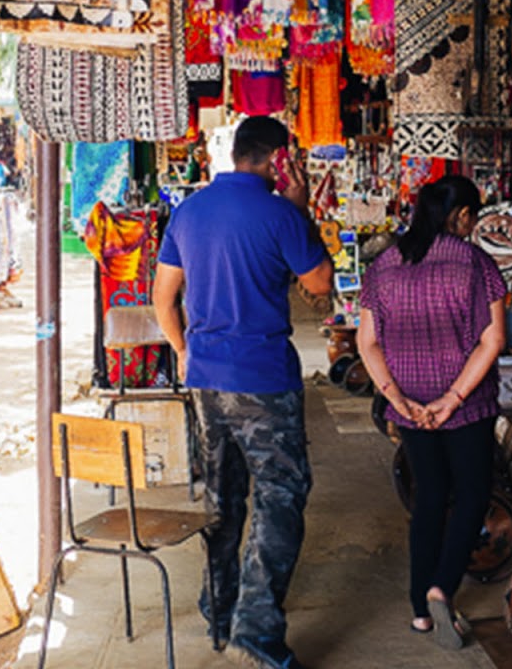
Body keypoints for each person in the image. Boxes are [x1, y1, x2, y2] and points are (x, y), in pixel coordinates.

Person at [152, 116, 333, 669]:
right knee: (280, 495)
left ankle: (220, 608)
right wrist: (301, 208)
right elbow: (321, 283)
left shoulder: (188, 211)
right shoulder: (281, 214)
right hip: (264, 380)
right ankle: (255, 634)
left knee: (221, 497)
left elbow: (164, 301)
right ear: (279, 160)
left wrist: (186, 353)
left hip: (207, 378)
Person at [355, 176, 507, 650]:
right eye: (473, 217)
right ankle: (443, 584)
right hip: (465, 404)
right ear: (461, 216)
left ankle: (421, 611)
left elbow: (367, 341)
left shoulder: (384, 264)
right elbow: (493, 339)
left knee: (428, 498)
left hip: (411, 405)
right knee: (471, 494)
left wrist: (395, 398)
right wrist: (454, 399)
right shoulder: (476, 264)